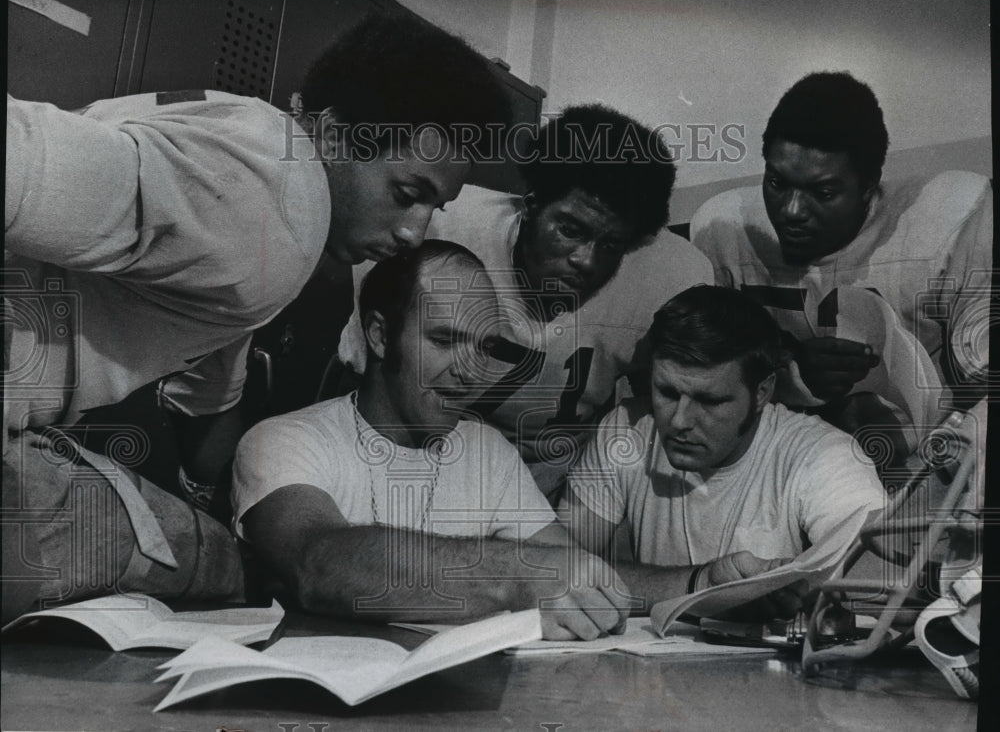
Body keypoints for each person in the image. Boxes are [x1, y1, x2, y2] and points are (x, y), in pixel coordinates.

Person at [2, 13, 510, 622]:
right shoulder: (284, 208)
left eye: (434, 206)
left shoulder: (254, 136)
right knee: (222, 569)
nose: (412, 232)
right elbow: (22, 157)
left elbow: (206, 394)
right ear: (332, 135)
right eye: (406, 194)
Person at [233, 243, 773, 637]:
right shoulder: (285, 440)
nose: (470, 370)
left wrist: (706, 583)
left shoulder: (486, 449)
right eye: (444, 340)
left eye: (483, 346)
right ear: (378, 335)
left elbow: (579, 575)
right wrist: (516, 575)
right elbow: (317, 566)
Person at [339, 104, 713, 501]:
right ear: (531, 206)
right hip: (408, 464)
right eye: (569, 229)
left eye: (610, 244)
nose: (586, 260)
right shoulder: (442, 229)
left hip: (545, 488)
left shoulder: (669, 274)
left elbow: (657, 411)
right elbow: (362, 382)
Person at [690, 71, 992, 468]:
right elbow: (699, 384)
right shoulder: (724, 229)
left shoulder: (950, 220)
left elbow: (988, 387)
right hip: (786, 467)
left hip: (929, 468)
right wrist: (794, 379)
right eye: (777, 183)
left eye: (823, 192)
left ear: (868, 187)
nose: (792, 210)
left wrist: (951, 460)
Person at [563, 286, 887, 617]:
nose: (680, 420)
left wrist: (805, 590)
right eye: (667, 392)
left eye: (709, 401)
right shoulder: (626, 432)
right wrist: (704, 585)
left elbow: (882, 576)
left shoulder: (823, 453)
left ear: (762, 392)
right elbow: (555, 573)